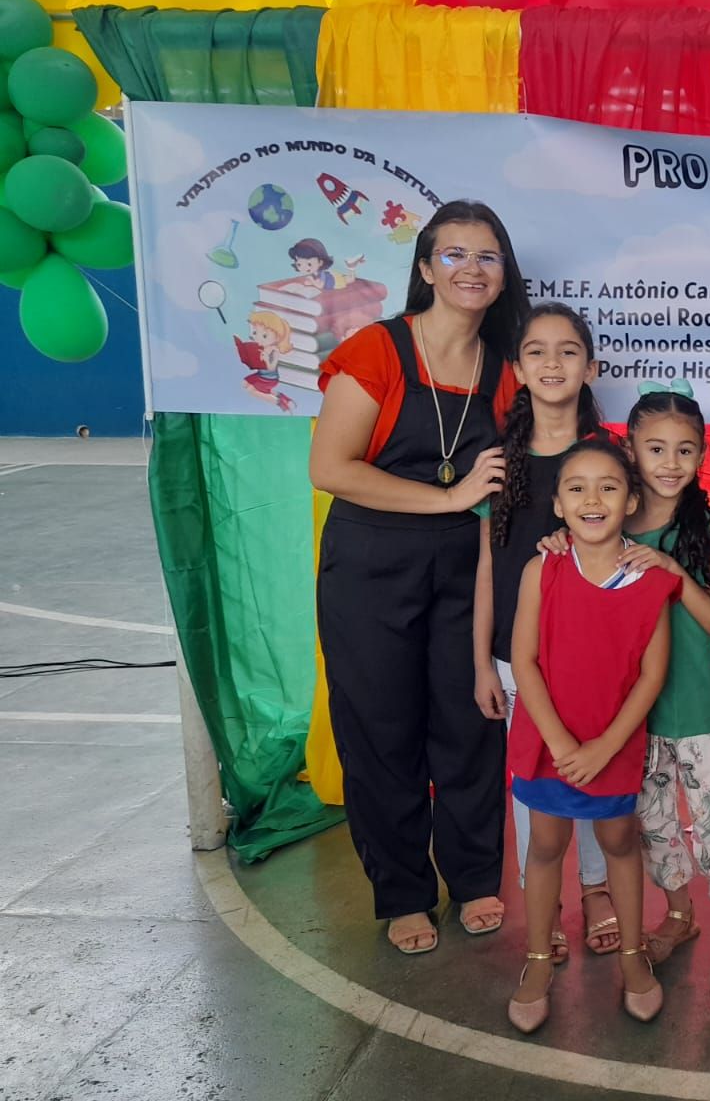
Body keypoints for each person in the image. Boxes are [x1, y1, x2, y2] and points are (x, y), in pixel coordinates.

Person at [310, 200, 525, 955]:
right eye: (454, 254)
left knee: (470, 725)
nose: (472, 268)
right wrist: (449, 498)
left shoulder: (506, 368)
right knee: (381, 732)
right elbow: (330, 468)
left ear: (504, 275)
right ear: (427, 268)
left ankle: (474, 879)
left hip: (467, 569)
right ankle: (403, 893)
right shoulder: (377, 349)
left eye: (488, 256)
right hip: (372, 563)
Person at [544, 385, 710, 1007]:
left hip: (694, 706)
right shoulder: (607, 520)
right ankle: (679, 914)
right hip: (629, 713)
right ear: (630, 448)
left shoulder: (707, 524)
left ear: (702, 456)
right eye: (655, 448)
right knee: (654, 827)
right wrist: (555, 542)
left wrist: (670, 570)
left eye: (685, 450)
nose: (670, 462)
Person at [504, 440, 681, 1034]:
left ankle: (632, 955)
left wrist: (605, 747)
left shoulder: (651, 578)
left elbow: (652, 675)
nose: (592, 499)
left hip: (615, 741)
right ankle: (537, 960)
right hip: (548, 742)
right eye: (576, 487)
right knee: (545, 845)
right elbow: (524, 661)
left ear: (630, 500)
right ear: (558, 504)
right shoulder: (542, 570)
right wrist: (560, 744)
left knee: (620, 842)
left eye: (608, 486)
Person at [475, 301, 622, 962]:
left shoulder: (608, 459)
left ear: (591, 368)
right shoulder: (498, 462)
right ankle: (546, 904)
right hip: (517, 656)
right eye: (537, 351)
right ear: (517, 368)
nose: (553, 363)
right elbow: (487, 565)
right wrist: (482, 660)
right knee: (533, 779)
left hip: (593, 658)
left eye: (569, 351)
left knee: (591, 767)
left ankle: (596, 888)